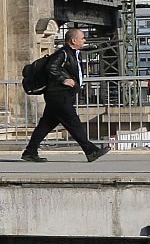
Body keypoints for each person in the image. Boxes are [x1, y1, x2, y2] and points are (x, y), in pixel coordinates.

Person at [23, 26, 109, 163]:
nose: (84, 40)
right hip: (59, 95)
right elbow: (51, 67)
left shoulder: (74, 53)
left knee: (46, 125)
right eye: (82, 38)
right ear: (74, 40)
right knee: (74, 123)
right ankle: (91, 150)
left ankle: (30, 151)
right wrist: (63, 79)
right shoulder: (62, 53)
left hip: (60, 96)